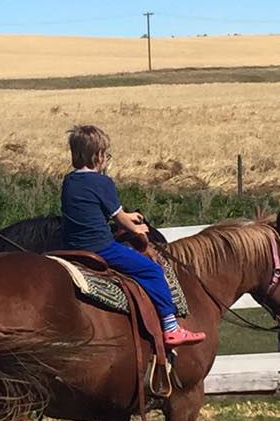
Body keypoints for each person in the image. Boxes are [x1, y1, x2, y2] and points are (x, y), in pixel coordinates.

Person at [61, 125, 206, 347]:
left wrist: (126, 215)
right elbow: (119, 219)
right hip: (100, 247)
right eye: (106, 154)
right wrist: (136, 229)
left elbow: (94, 208)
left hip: (71, 245)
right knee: (152, 270)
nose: (107, 159)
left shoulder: (69, 181)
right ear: (98, 156)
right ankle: (170, 327)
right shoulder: (102, 182)